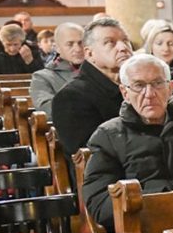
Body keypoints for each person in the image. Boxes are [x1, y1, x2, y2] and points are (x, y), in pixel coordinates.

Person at [82, 54, 173, 230]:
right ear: (125, 93)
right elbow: (100, 204)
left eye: (157, 83)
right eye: (139, 86)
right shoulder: (108, 136)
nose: (149, 94)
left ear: (170, 88)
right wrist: (167, 200)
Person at [52, 16, 135, 153]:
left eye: (126, 41)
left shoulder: (140, 86)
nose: (123, 48)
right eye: (110, 42)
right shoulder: (71, 97)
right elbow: (91, 155)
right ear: (89, 53)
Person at [29, 22, 85, 119]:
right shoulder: (42, 78)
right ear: (58, 48)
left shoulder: (99, 70)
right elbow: (48, 110)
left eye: (81, 43)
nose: (78, 49)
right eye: (70, 44)